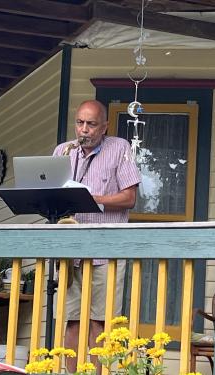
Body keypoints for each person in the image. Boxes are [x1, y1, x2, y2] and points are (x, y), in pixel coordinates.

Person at [53, 99, 141, 373]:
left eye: (91, 124)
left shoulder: (119, 148)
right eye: (80, 123)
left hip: (105, 251)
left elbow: (129, 198)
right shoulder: (63, 150)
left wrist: (93, 200)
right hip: (71, 252)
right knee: (72, 320)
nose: (84, 130)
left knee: (100, 322)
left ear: (104, 126)